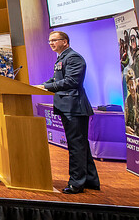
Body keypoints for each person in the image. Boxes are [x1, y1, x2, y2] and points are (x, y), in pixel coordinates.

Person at [38, 31, 100, 194]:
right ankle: (90, 180)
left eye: (54, 40)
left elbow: (72, 81)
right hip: (68, 107)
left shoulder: (73, 58)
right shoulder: (62, 58)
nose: (51, 43)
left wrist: (47, 87)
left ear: (65, 42)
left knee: (76, 146)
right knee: (80, 145)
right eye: (49, 40)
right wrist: (41, 85)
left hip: (75, 108)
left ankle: (76, 183)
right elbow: (55, 79)